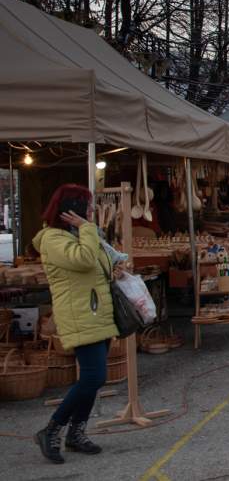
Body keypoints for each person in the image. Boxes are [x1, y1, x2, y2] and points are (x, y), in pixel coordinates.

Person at [32, 185, 117, 464]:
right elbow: (84, 260)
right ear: (73, 210)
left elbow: (99, 261)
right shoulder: (52, 239)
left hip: (95, 311)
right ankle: (52, 428)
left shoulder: (75, 234)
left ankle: (76, 432)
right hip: (80, 313)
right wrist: (88, 229)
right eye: (88, 207)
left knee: (93, 378)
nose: (92, 212)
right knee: (93, 377)